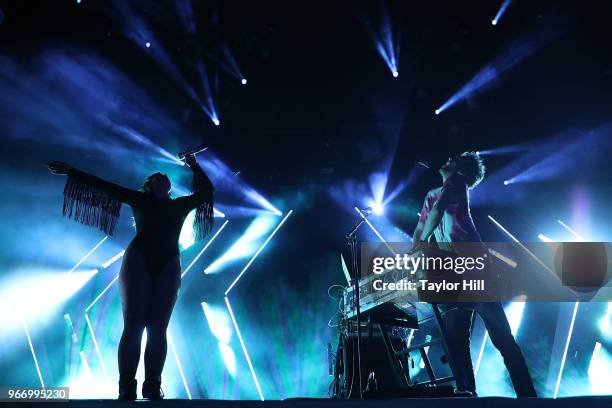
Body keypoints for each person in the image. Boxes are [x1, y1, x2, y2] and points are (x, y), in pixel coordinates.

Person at [47, 154, 213, 400]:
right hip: (138, 260)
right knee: (134, 325)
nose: (162, 176)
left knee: (158, 328)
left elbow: (206, 191)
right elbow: (105, 186)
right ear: (149, 185)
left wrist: (193, 164)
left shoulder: (179, 205)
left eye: (164, 176)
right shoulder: (140, 199)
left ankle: (153, 385)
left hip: (168, 263)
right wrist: (72, 170)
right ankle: (127, 385)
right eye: (156, 176)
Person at [411, 152, 537, 397]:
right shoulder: (430, 195)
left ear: (463, 170)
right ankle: (467, 395)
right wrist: (415, 256)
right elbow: (419, 231)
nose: (448, 158)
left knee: (500, 337)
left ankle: (527, 396)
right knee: (457, 339)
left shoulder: (457, 182)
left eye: (456, 158)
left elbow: (437, 213)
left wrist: (423, 243)